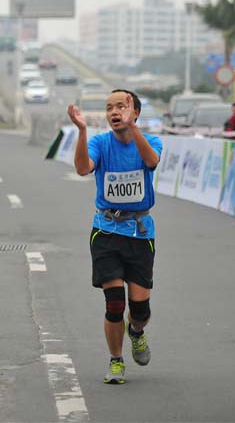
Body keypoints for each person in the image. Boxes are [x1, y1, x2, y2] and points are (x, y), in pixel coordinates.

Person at [68, 89, 162, 385]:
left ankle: (136, 332)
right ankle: (116, 360)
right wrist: (82, 131)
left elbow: (152, 161)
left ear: (135, 112)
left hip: (140, 233)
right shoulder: (99, 142)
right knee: (114, 305)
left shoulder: (151, 141)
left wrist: (133, 130)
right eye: (109, 108)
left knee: (139, 310)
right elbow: (83, 168)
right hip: (107, 230)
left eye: (121, 106)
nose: (114, 112)